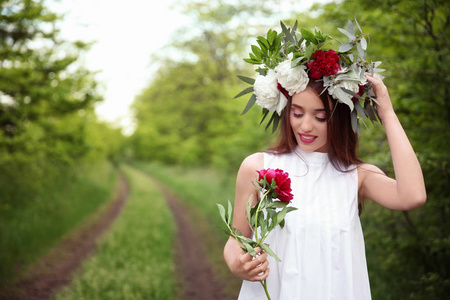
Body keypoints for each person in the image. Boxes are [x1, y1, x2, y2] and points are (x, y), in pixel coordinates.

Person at [223, 21, 426, 300]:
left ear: (341, 118)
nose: (306, 126)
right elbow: (236, 238)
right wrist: (237, 263)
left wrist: (388, 113)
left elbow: (412, 196)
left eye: (320, 117)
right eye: (297, 113)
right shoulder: (258, 167)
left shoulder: (357, 175)